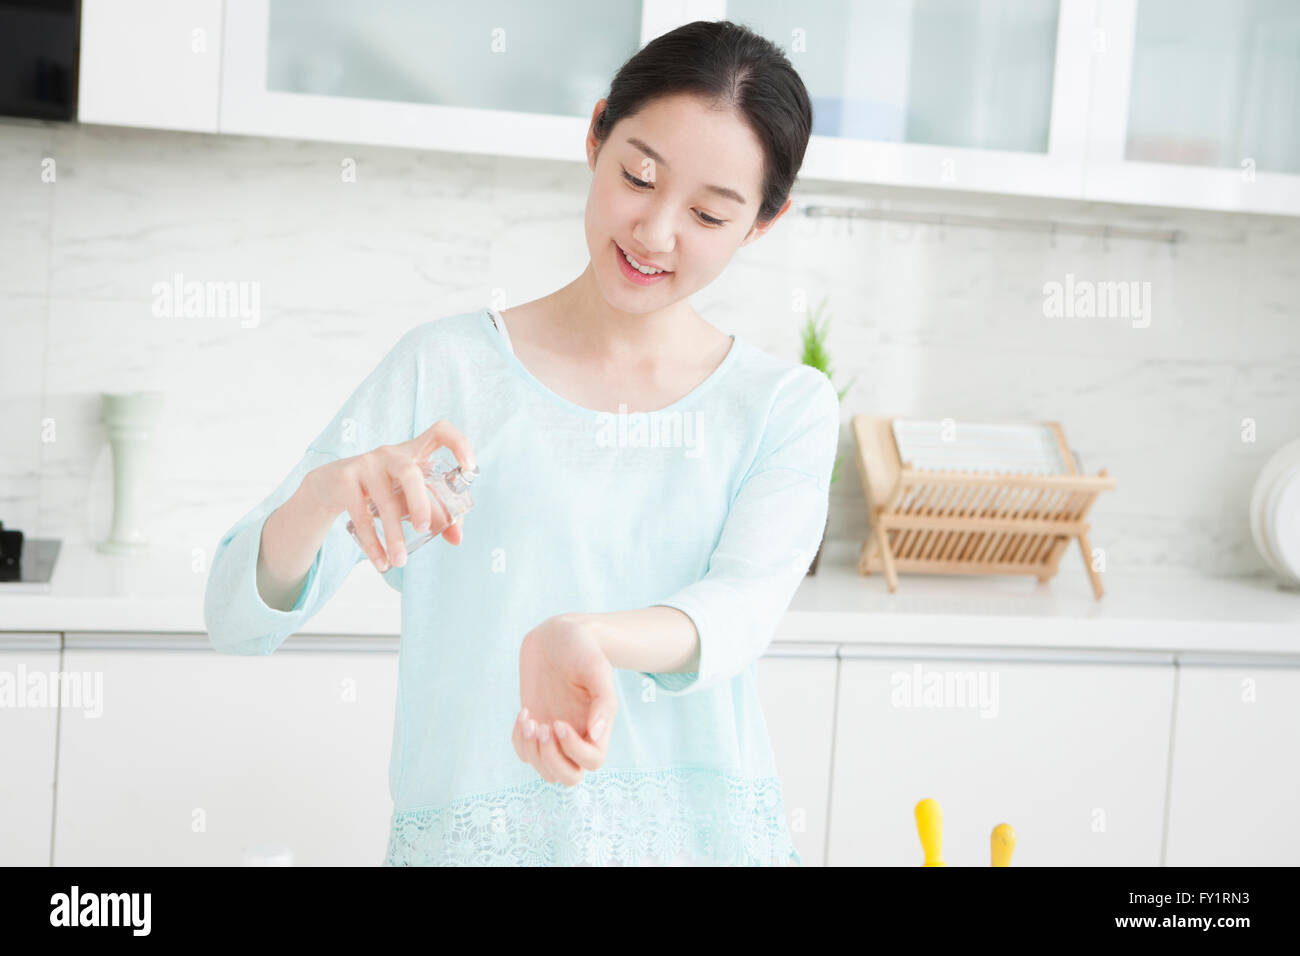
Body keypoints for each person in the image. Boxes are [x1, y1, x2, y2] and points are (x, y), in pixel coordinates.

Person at [204, 19, 840, 866]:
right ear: (595, 134)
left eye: (708, 214)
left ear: (763, 222)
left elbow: (740, 607)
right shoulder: (448, 369)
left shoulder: (781, 405)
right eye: (638, 175)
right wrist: (327, 494)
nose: (654, 232)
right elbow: (236, 619)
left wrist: (588, 637)